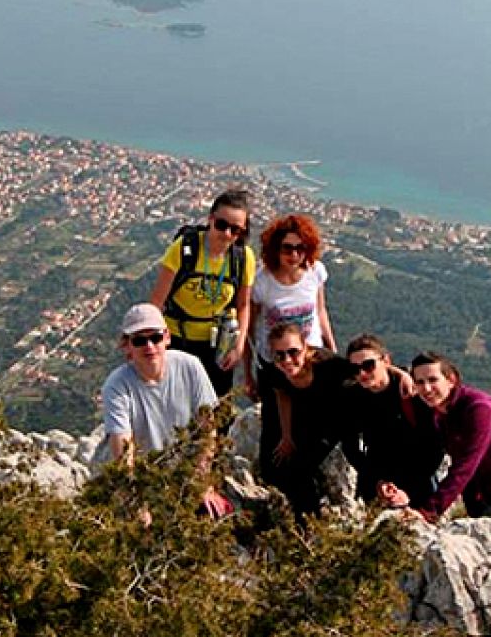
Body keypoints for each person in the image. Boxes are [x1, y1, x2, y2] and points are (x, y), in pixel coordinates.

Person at [99, 303, 230, 518]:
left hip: (184, 473)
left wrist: (201, 483)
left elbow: (208, 430)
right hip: (140, 478)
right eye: (139, 340)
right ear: (127, 346)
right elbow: (123, 449)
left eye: (155, 338)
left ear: (167, 337)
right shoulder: (117, 385)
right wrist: (135, 501)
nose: (149, 346)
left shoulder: (190, 367)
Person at [405, 352, 491, 525]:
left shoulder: (479, 409)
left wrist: (430, 510)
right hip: (488, 493)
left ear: (451, 379)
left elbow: (466, 464)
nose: (426, 389)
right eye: (420, 382)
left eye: (433, 380)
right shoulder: (441, 409)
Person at [149, 189, 256, 396]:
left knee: (216, 403)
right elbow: (156, 302)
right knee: (177, 400)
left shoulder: (243, 258)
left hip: (219, 343)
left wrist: (238, 346)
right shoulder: (185, 248)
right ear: (210, 219)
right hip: (178, 338)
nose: (226, 234)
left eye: (235, 230)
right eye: (221, 225)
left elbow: (243, 305)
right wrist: (152, 343)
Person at [257, 322, 351, 517]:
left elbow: (364, 370)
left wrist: (400, 374)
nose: (288, 360)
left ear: (306, 347)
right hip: (301, 412)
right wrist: (286, 437)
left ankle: (310, 520)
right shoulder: (274, 370)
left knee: (301, 469)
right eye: (279, 355)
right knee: (271, 466)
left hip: (332, 418)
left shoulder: (327, 364)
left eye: (294, 352)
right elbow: (282, 396)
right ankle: (289, 512)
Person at [340, 334, 444, 510]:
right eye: (355, 368)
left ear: (386, 361)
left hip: (418, 475)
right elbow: (350, 446)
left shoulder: (411, 391)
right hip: (378, 476)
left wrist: (408, 488)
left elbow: (435, 444)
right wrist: (377, 481)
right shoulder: (352, 397)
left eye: (368, 365)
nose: (362, 373)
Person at [245, 213, 336, 405]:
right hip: (274, 362)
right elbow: (249, 329)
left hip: (311, 358)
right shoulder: (262, 280)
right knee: (274, 423)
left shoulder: (315, 271)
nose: (294, 255)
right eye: (287, 248)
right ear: (276, 248)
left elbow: (320, 312)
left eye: (300, 248)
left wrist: (332, 351)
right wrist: (248, 374)